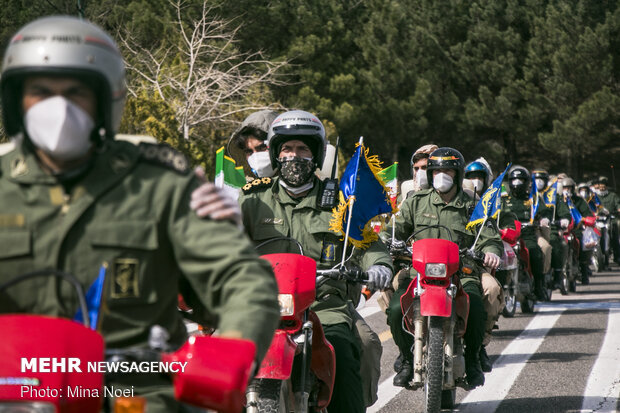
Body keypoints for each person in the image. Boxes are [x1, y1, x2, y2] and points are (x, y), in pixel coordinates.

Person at [0, 16, 280, 412]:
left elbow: (241, 278)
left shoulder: (162, 185)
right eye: (40, 92)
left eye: (76, 92)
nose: (57, 108)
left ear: (105, 100)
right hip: (16, 388)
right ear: (16, 101)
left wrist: (233, 346)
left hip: (135, 391)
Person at [237, 109, 393, 412]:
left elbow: (367, 242)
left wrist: (379, 266)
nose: (294, 156)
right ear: (275, 154)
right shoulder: (253, 199)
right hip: (262, 302)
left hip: (323, 304)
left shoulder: (340, 201)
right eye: (287, 148)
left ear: (317, 155)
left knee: (352, 349)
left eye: (303, 149)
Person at [383, 147, 502, 388]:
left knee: (476, 305)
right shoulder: (416, 201)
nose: (441, 175)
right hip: (421, 273)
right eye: (436, 170)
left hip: (462, 272)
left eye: (447, 170)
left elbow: (489, 235)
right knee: (396, 309)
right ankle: (407, 360)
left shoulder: (471, 204)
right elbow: (395, 228)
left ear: (457, 174)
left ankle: (473, 360)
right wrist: (388, 240)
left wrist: (491, 251)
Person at [226, 109, 279, 179]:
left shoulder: (294, 186)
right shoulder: (246, 188)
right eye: (249, 151)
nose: (256, 157)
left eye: (262, 148)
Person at [562, 177, 596, 284]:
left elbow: (588, 213)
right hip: (561, 231)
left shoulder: (579, 200)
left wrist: (585, 219)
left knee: (582, 246)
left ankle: (584, 270)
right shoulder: (558, 201)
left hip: (576, 230)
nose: (567, 190)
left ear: (573, 188)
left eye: (569, 188)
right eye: (565, 188)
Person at [594, 176, 620, 264]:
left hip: (610, 219)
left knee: (614, 234)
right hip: (597, 220)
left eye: (604, 185)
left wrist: (618, 209)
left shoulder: (613, 195)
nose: (602, 187)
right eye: (600, 185)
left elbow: (617, 204)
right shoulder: (594, 196)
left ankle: (617, 256)